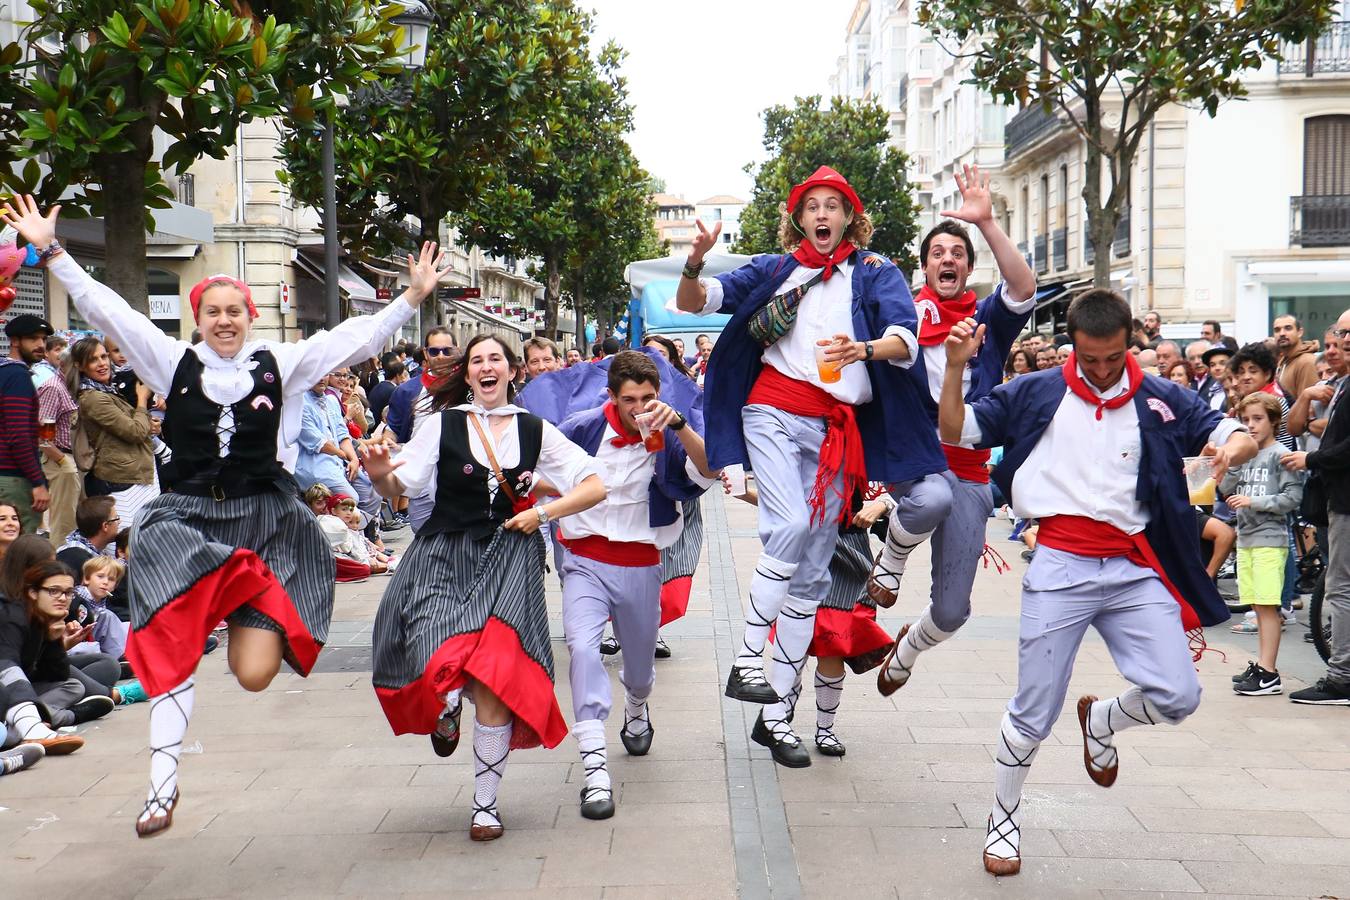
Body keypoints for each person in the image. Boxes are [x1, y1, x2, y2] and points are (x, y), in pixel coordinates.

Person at [2, 193, 454, 837]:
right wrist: (51, 252)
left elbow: (355, 339)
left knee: (254, 674)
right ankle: (162, 784)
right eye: (212, 311)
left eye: (234, 311)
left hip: (265, 524)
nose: (224, 320)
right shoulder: (171, 361)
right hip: (185, 524)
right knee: (172, 646)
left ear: (250, 315)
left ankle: (241, 623)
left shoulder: (283, 364)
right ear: (198, 317)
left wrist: (409, 299)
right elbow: (112, 312)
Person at [936, 288, 1256, 876]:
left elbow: (1238, 430)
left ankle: (1104, 719)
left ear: (1130, 340)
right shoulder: (1034, 392)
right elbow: (957, 431)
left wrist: (1229, 450)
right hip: (1061, 563)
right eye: (1090, 359)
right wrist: (956, 367)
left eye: (1113, 357)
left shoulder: (1163, 395)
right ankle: (1003, 820)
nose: (1104, 370)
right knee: (1034, 711)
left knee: (1179, 697)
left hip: (1137, 568)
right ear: (1073, 347)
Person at [674, 165, 950, 768]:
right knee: (791, 528)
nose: (823, 215)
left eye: (835, 205)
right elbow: (697, 302)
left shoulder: (876, 273)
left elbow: (907, 341)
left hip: (835, 432)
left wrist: (864, 348)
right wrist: (695, 262)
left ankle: (775, 719)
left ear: (850, 216)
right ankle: (749, 657)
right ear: (798, 218)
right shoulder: (773, 270)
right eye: (813, 206)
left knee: (812, 577)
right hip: (771, 411)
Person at [363, 334, 606, 841]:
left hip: (509, 557)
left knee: (496, 675)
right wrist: (382, 475)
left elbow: (593, 484)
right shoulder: (442, 425)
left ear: (512, 371)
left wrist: (542, 512)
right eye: (477, 361)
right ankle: (447, 706)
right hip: (444, 554)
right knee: (435, 655)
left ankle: (485, 805)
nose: (487, 367)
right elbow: (398, 489)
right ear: (468, 375)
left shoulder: (536, 430)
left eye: (495, 359)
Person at [873, 164, 1036, 697]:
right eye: (938, 253)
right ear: (924, 266)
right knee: (931, 499)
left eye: (957, 254)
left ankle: (908, 649)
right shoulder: (903, 317)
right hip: (916, 457)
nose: (948, 259)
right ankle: (891, 559)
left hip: (970, 468)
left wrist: (986, 223)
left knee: (952, 611)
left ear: (967, 267)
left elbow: (1023, 285)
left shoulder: (986, 316)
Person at [545, 351, 716, 820]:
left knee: (638, 671)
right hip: (584, 561)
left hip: (642, 563)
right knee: (583, 649)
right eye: (629, 400)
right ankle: (595, 769)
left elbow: (710, 470)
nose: (640, 408)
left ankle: (637, 705)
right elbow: (539, 472)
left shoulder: (669, 430)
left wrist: (678, 424)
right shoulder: (581, 428)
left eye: (649, 398)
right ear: (611, 396)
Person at [1280, 309, 1350, 706]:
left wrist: (1313, 460)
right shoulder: (1339, 383)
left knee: (1341, 589)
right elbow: (1300, 427)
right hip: (1336, 499)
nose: (1344, 339)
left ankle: (1342, 678)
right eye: (1341, 332)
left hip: (1345, 500)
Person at [1220, 393, 1303, 695]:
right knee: (1257, 604)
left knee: (1268, 606)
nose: (1251, 426)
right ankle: (1263, 664)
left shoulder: (1281, 455)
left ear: (1273, 421)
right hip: (1247, 539)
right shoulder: (1246, 454)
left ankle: (1269, 672)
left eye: (1258, 419)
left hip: (1270, 538)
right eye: (1246, 420)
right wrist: (1230, 461)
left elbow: (1292, 499)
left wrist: (1254, 501)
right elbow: (1225, 488)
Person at [1, 560, 116, 753]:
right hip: (8, 690)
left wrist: (54, 641)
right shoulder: (12, 616)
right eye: (54, 591)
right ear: (33, 592)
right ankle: (58, 718)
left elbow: (57, 673)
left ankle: (30, 722)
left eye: (69, 592)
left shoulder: (43, 617)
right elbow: (8, 666)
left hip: (24, 690)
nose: (63, 598)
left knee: (75, 685)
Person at [68, 336, 160, 522]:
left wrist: (148, 423)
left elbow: (131, 426)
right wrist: (142, 399)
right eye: (93, 360)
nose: (102, 363)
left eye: (104, 356)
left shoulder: (106, 390)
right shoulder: (93, 398)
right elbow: (134, 431)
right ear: (80, 366)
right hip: (123, 480)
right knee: (127, 542)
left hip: (134, 475)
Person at [1, 314, 50, 533]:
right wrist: (37, 482)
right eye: (33, 338)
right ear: (15, 341)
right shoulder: (16, 376)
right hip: (13, 479)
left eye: (43, 339)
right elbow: (18, 436)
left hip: (9, 475)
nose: (40, 345)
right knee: (17, 553)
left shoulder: (5, 372)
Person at [33, 334, 80, 542]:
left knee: (73, 520)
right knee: (64, 523)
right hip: (59, 461)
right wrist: (63, 461)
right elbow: (41, 434)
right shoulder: (53, 387)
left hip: (69, 459)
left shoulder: (68, 386)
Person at [384, 327, 458, 444]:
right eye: (434, 351)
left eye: (447, 351)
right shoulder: (406, 391)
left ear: (456, 351)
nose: (441, 356)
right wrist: (389, 442)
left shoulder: (469, 388)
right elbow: (392, 431)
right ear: (426, 353)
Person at [297, 375, 362, 499]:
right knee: (352, 498)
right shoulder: (299, 403)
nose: (321, 378)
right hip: (315, 465)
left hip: (338, 461)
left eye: (325, 373)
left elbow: (342, 434)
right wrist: (343, 454)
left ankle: (365, 517)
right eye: (317, 373)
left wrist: (354, 459)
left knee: (371, 493)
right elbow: (318, 443)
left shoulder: (332, 400)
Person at [1230, 343, 1296, 452]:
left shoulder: (1276, 401)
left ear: (1267, 374)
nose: (1246, 377)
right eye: (1241, 372)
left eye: (1253, 371)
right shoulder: (1244, 401)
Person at [1273, 314, 1320, 401]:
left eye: (1288, 328)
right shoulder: (1283, 362)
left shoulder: (1307, 362)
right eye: (1277, 330)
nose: (1282, 333)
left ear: (1300, 332)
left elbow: (1310, 406)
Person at [368, 353, 405, 427]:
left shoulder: (378, 386)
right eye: (403, 374)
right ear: (397, 375)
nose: (404, 378)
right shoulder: (394, 391)